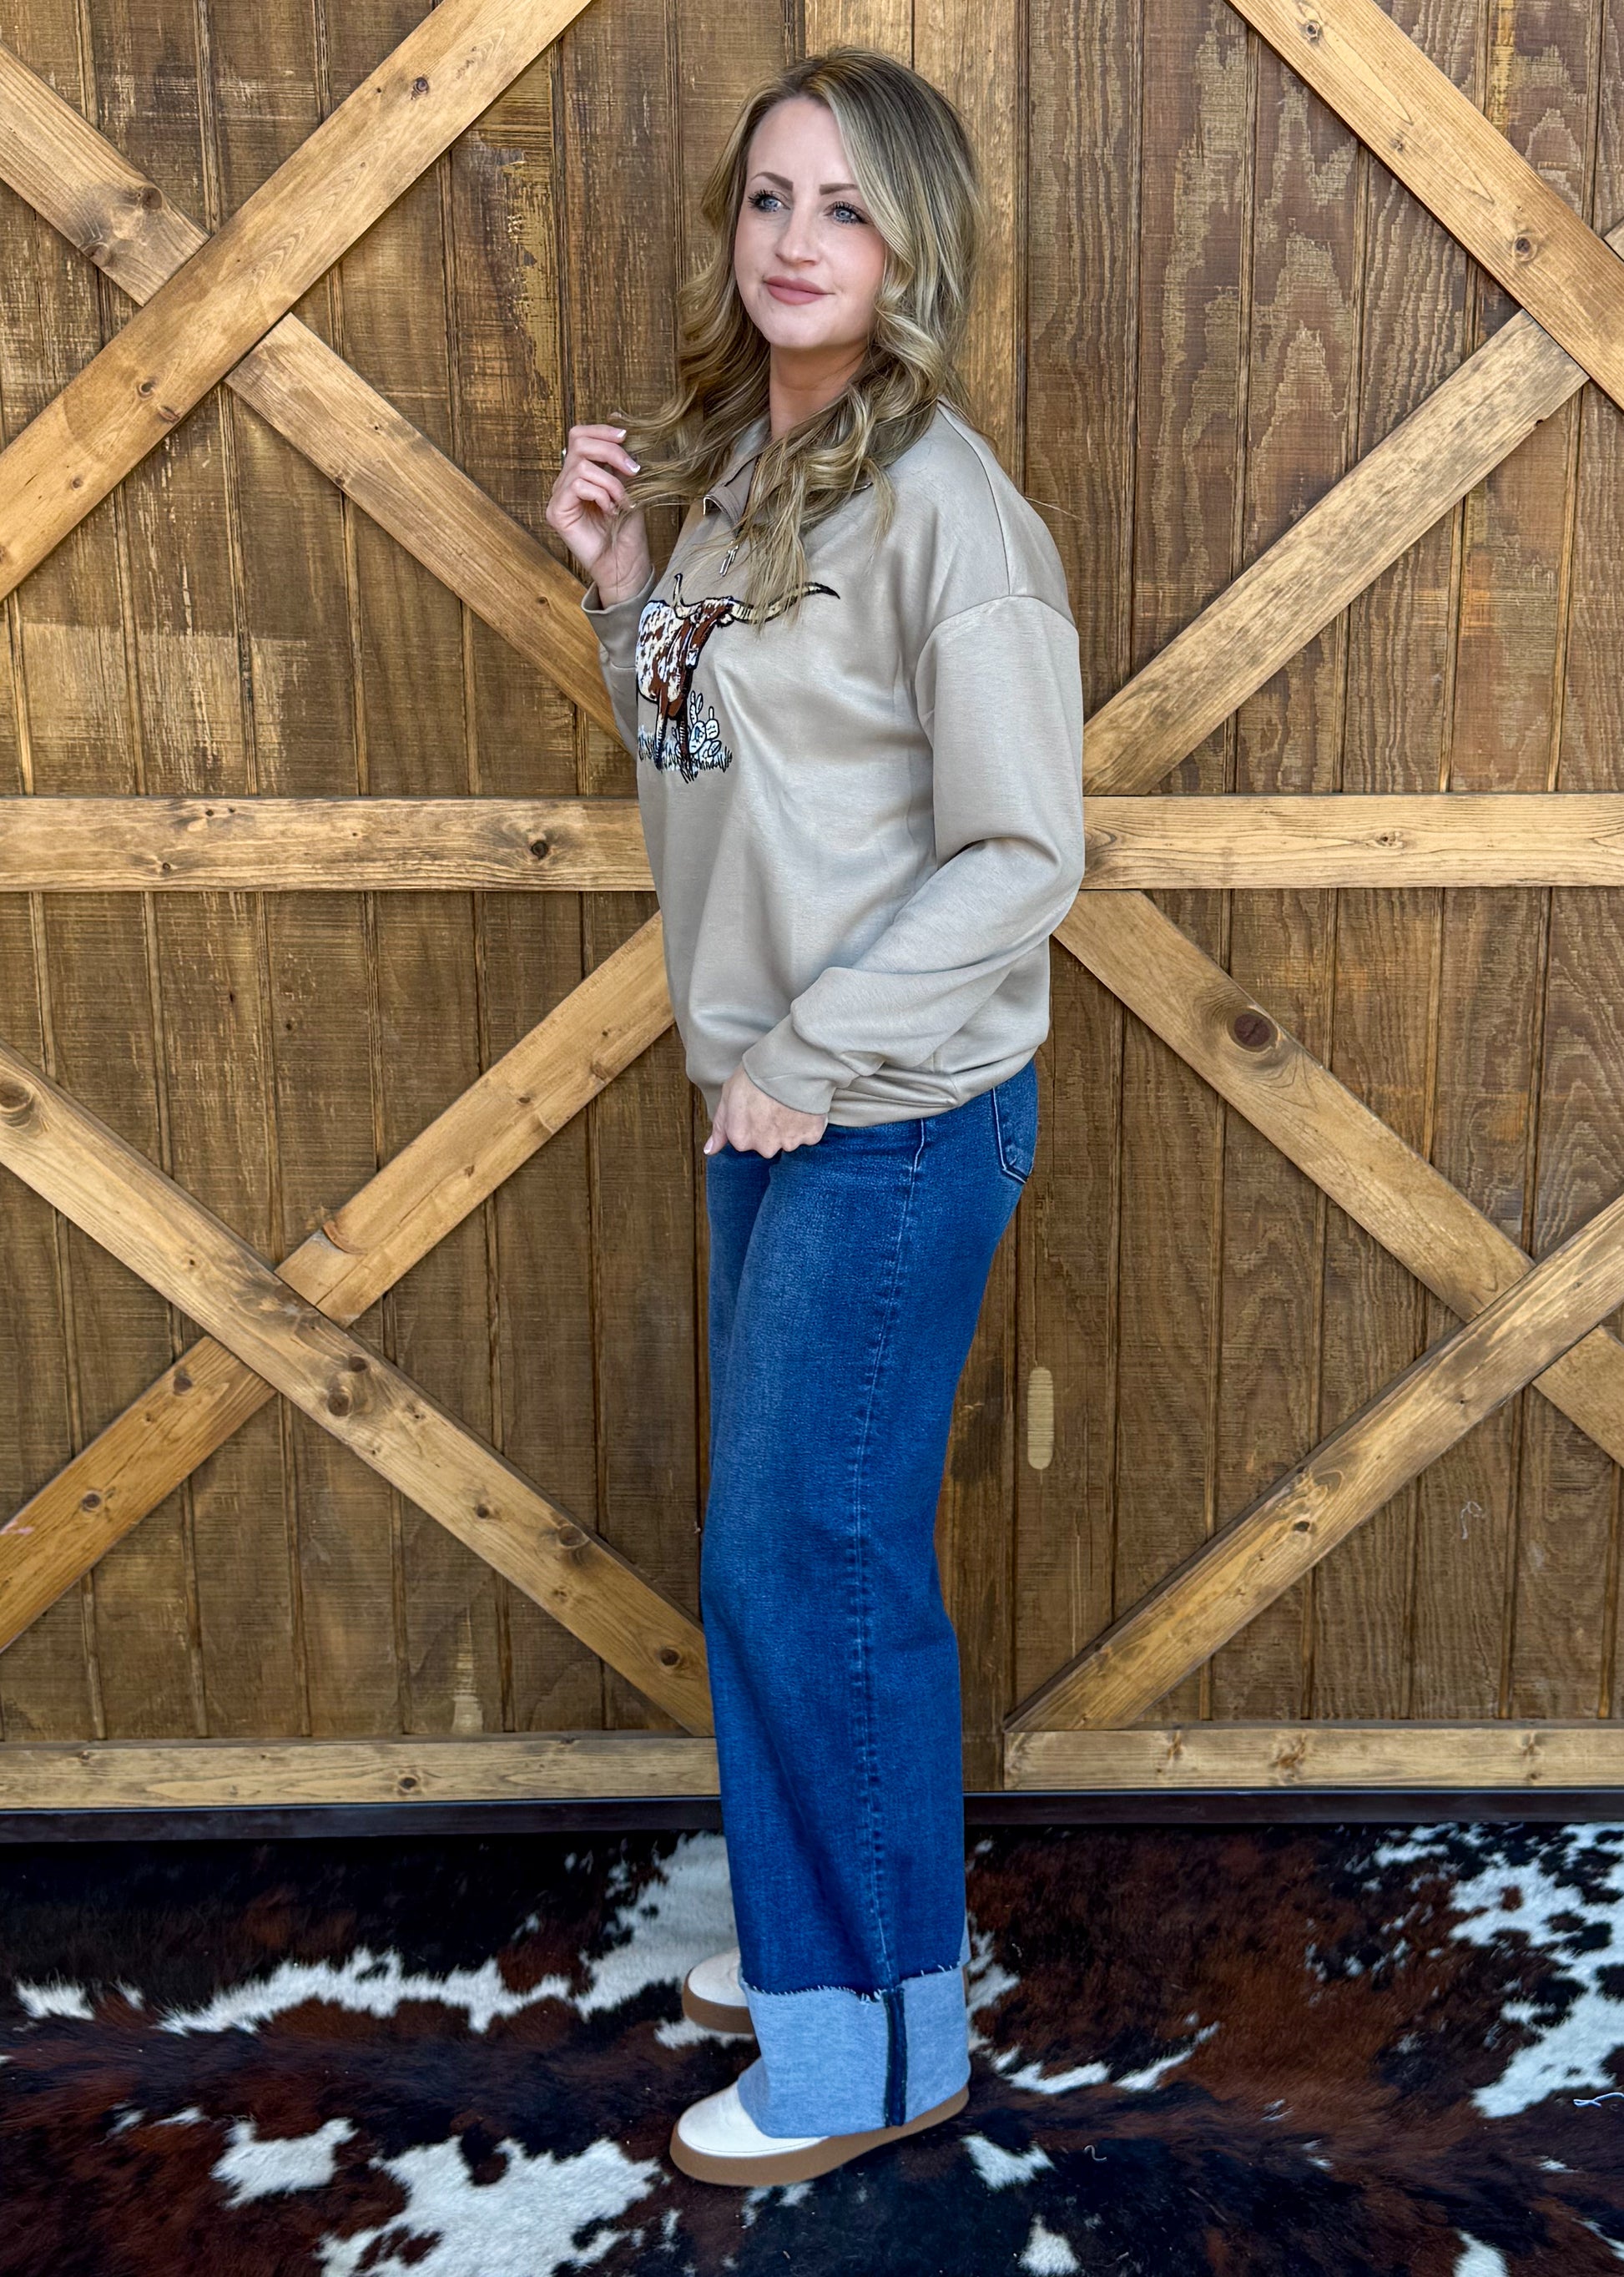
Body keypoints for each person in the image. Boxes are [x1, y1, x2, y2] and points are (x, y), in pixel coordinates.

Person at [546, 45, 1085, 2188]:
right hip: (768, 1097)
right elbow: (721, 767)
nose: (795, 239)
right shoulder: (754, 467)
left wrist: (807, 1053)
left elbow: (1022, 851)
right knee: (785, 1546)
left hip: (887, 1108)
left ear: (912, 244)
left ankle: (864, 2050)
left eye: (845, 207)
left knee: (809, 1551)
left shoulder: (950, 509)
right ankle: (824, 1956)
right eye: (771, 197)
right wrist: (620, 588)